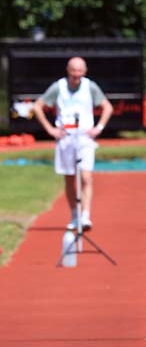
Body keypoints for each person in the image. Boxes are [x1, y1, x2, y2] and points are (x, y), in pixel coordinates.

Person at [32, 57, 113, 231]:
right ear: (68, 70)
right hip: (65, 138)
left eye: (80, 71)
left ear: (84, 71)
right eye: (73, 71)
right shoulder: (58, 87)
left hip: (84, 138)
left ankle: (85, 215)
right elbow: (38, 106)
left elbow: (107, 106)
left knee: (85, 176)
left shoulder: (90, 87)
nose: (76, 75)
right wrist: (50, 129)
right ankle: (74, 215)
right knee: (69, 179)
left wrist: (99, 127)